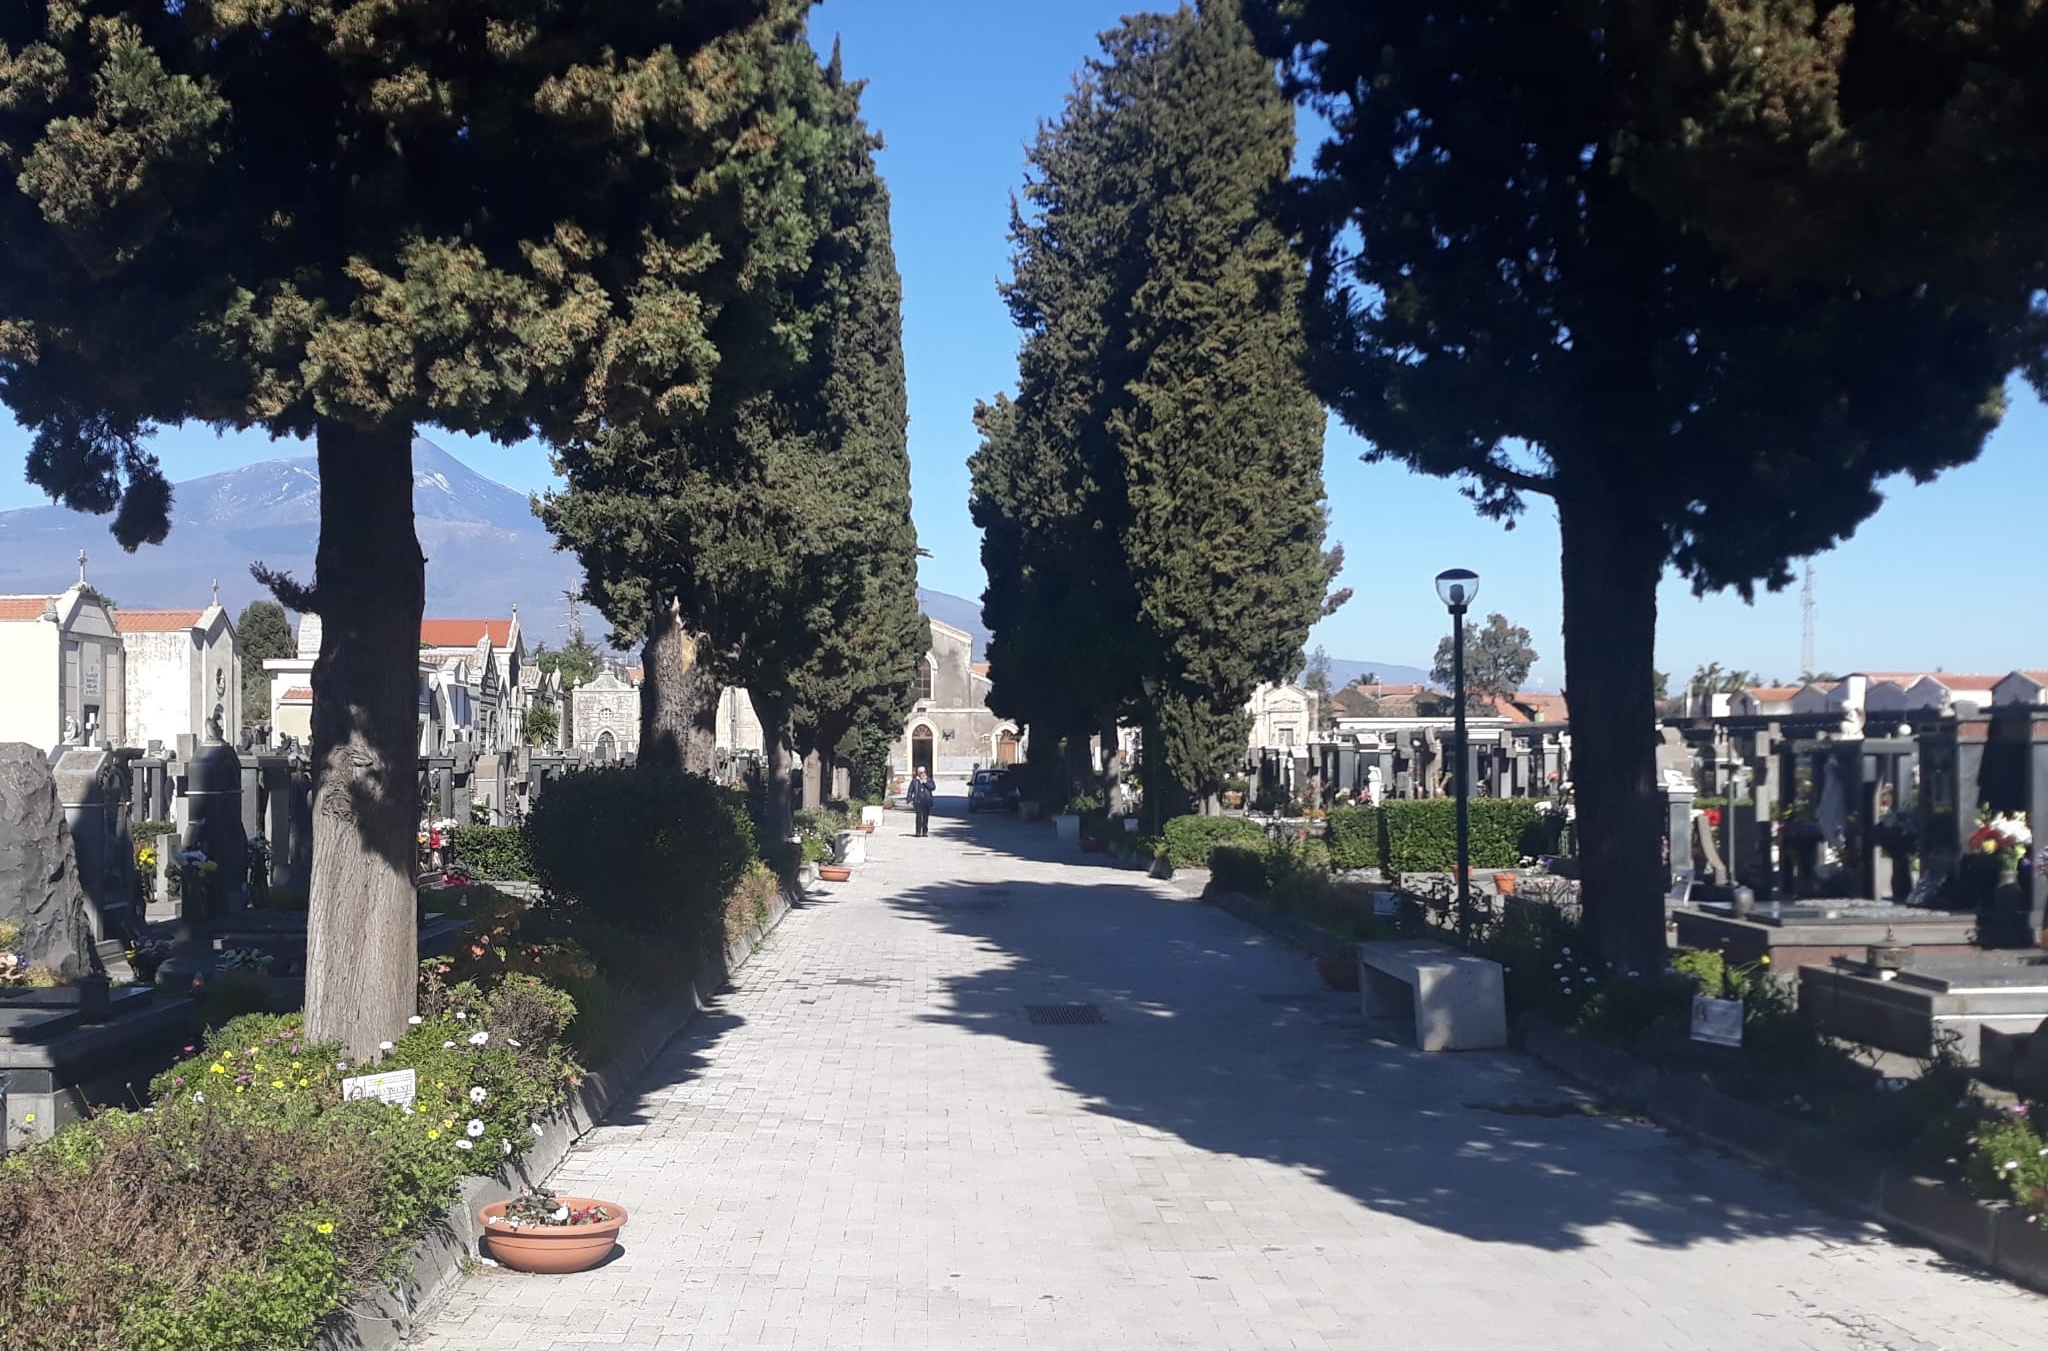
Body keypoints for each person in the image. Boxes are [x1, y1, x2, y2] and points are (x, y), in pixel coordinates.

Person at [908, 765, 935, 837]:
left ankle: (925, 832)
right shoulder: (915, 781)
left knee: (926, 817)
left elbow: (933, 787)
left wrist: (925, 782)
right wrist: (909, 799)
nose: (923, 774)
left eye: (924, 772)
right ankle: (918, 832)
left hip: (927, 801)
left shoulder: (929, 780)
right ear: (918, 773)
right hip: (918, 801)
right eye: (921, 772)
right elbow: (910, 791)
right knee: (919, 816)